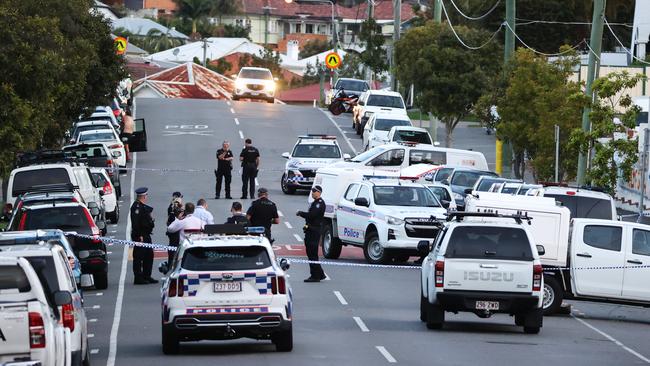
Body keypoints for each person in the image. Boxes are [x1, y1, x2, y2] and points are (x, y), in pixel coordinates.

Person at [297, 185, 327, 282]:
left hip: (314, 231)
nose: (312, 193)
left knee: (312, 254)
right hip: (311, 230)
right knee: (311, 254)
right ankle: (320, 274)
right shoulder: (315, 203)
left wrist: (301, 213)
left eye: (314, 191)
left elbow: (312, 215)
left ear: (319, 192)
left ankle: (315, 275)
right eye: (312, 191)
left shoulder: (319, 203)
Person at [130, 187, 156, 285]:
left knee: (149, 255)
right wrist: (139, 235)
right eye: (146, 195)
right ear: (144, 196)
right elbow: (135, 223)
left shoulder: (142, 206)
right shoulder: (136, 207)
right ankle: (138, 278)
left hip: (146, 234)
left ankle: (147, 275)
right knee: (139, 256)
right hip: (140, 235)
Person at [166, 191, 183, 264]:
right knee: (175, 248)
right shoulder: (176, 207)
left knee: (172, 247)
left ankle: (171, 263)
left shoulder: (171, 205)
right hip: (175, 231)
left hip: (171, 230)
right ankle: (172, 263)